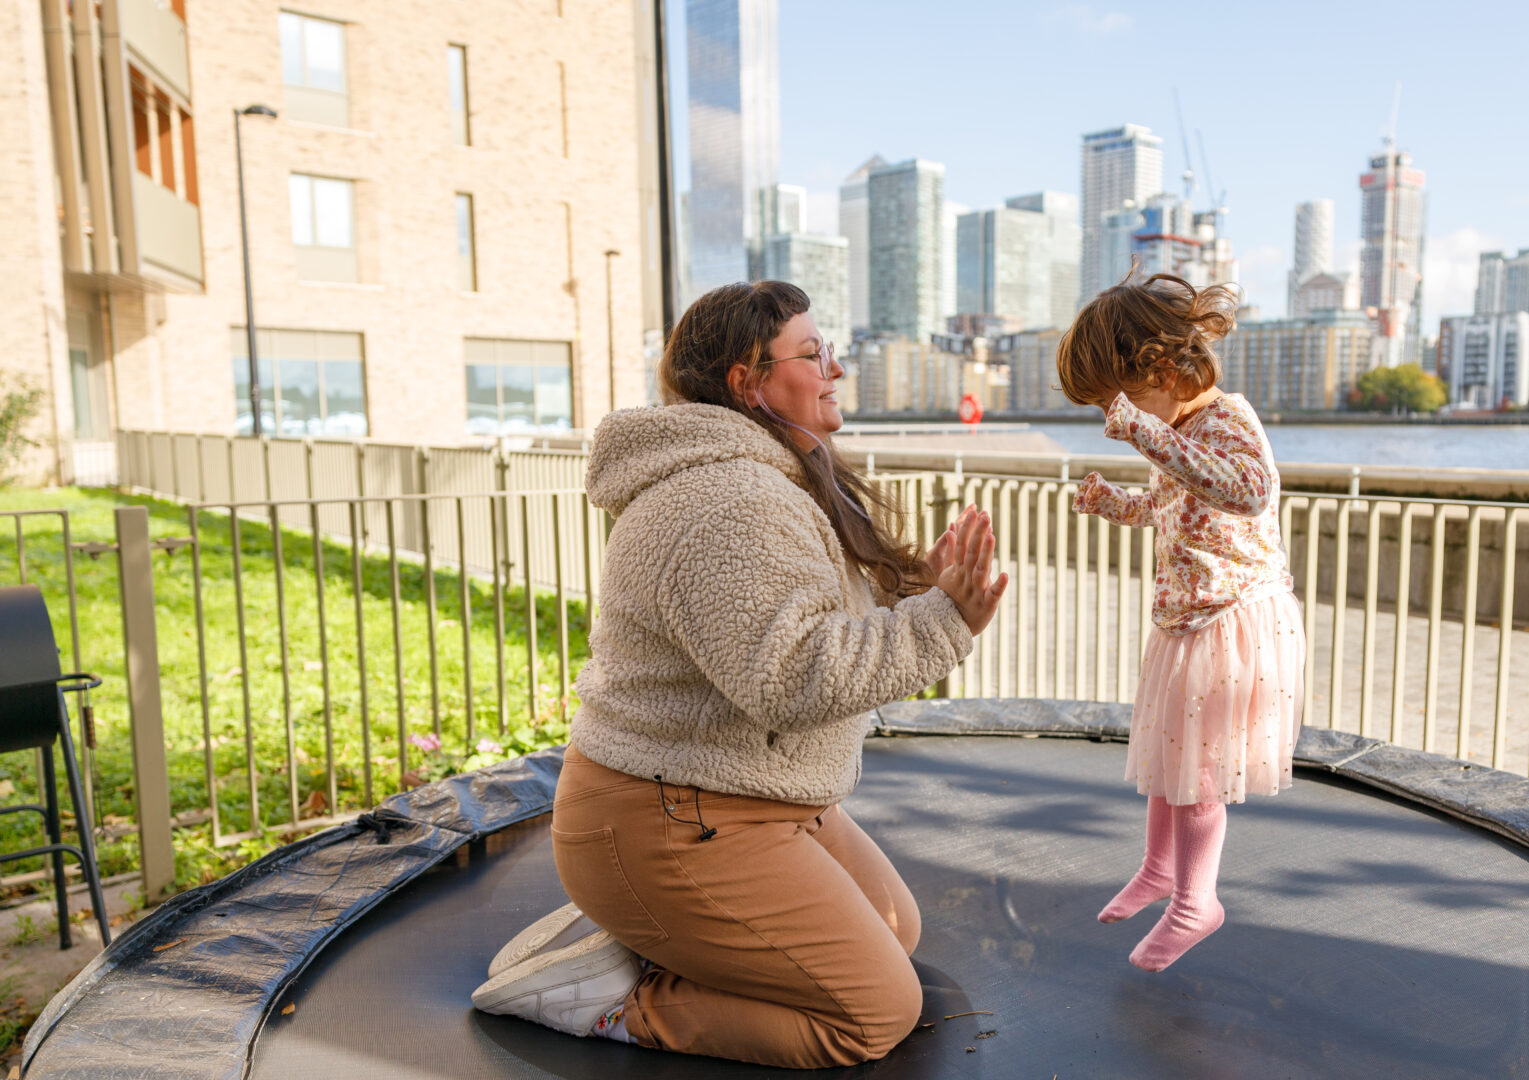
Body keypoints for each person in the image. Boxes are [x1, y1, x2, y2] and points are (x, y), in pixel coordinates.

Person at [471, 280, 1008, 1067]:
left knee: (898, 930)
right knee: (873, 1014)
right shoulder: (726, 501)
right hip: (669, 817)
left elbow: (798, 620)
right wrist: (943, 621)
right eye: (813, 353)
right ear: (747, 381)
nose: (833, 368)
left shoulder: (764, 481)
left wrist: (916, 595)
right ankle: (614, 1001)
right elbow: (792, 678)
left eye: (832, 351)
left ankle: (653, 937)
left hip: (742, 794)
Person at [1056, 272, 1305, 972]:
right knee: (1168, 763)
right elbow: (1173, 502)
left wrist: (1141, 432)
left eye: (1126, 397)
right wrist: (1116, 503)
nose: (1123, 417)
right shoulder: (1177, 430)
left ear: (1164, 370)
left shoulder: (1227, 418)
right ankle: (1158, 872)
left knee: (1196, 773)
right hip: (1185, 622)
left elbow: (1247, 491)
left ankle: (1198, 902)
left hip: (1232, 623)